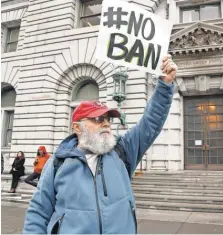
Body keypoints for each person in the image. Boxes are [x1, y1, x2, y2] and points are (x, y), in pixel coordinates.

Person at [23, 55, 178, 234]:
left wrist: (165, 85)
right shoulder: (57, 164)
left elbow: (151, 123)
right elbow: (38, 213)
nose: (106, 123)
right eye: (97, 119)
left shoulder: (122, 151)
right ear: (77, 128)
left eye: (107, 119)